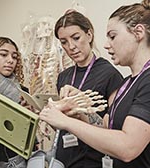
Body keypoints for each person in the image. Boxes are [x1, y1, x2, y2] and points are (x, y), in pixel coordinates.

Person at [40, 0, 150, 167]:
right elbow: (106, 127)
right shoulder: (128, 83)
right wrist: (80, 112)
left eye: (113, 36)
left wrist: (66, 122)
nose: (106, 45)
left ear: (139, 32)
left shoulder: (145, 81)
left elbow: (128, 147)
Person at [45, 11, 123, 168]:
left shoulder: (109, 74)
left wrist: (83, 110)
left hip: (92, 160)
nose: (71, 47)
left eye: (76, 38)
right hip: (65, 159)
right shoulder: (64, 77)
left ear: (89, 35)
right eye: (64, 42)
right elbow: (62, 123)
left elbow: (115, 129)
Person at [0, 37, 34, 168]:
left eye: (14, 57)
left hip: (22, 159)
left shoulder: (24, 91)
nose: (10, 60)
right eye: (3, 54)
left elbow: (30, 134)